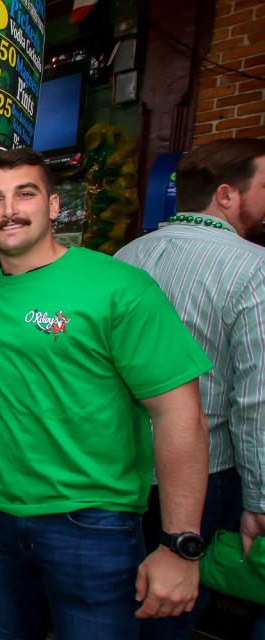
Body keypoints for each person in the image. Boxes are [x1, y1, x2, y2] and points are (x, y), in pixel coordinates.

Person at [0, 148, 212, 639]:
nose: (9, 209)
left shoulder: (120, 287)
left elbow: (179, 415)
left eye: (25, 194)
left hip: (90, 526)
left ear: (54, 206)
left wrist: (179, 543)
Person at [115, 137, 265, 638]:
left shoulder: (123, 257)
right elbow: (256, 399)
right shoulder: (254, 268)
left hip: (122, 468)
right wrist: (260, 499)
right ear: (226, 195)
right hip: (209, 474)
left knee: (121, 598)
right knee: (173, 606)